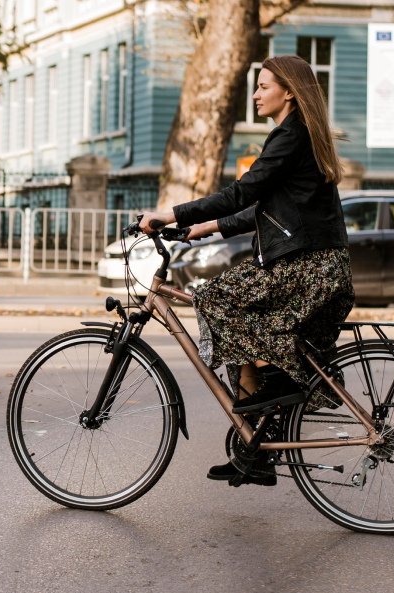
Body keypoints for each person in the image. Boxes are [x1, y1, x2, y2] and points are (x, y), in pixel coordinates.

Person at [138, 55, 354, 487]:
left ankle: (275, 382)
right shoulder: (300, 135)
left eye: (263, 86)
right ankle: (254, 446)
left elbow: (241, 193)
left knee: (214, 298)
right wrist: (201, 228)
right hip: (317, 264)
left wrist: (170, 213)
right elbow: (265, 209)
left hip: (306, 267)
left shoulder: (290, 135)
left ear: (288, 92)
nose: (255, 95)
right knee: (235, 323)